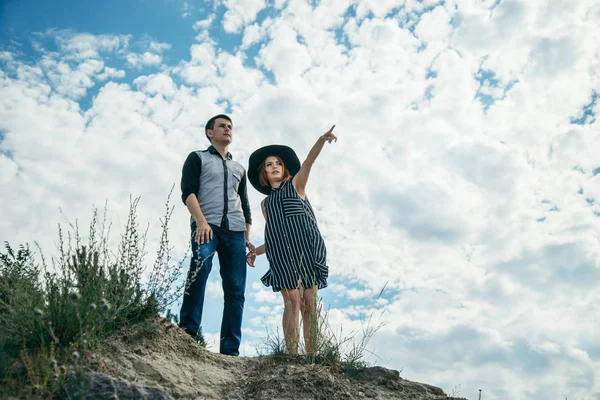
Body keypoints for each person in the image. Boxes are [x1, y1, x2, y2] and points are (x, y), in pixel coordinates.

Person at [246, 125, 337, 356]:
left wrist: (321, 140)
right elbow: (274, 236)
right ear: (264, 173)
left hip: (307, 250)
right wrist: (256, 251)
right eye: (269, 165)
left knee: (309, 304)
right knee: (291, 303)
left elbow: (308, 162)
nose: (274, 167)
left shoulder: (296, 186)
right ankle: (291, 356)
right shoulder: (266, 205)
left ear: (284, 168)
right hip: (283, 257)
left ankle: (312, 356)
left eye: (277, 163)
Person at [179, 114, 254, 356]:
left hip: (234, 232)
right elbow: (188, 193)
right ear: (209, 132)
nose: (227, 129)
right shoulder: (197, 158)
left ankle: (230, 351)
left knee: (236, 291)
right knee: (199, 270)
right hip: (206, 226)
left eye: (230, 126)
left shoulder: (239, 168)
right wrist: (201, 222)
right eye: (222, 126)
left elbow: (245, 205)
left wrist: (246, 237)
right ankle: (188, 333)